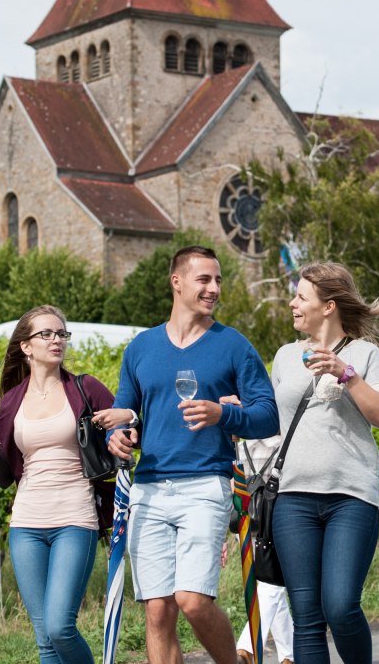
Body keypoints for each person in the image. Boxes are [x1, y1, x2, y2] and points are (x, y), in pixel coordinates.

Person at [101, 245, 279, 664]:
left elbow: (268, 416)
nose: (214, 288)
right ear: (176, 282)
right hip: (149, 488)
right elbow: (128, 412)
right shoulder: (141, 348)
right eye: (205, 279)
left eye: (218, 280)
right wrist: (120, 436)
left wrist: (224, 414)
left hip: (206, 483)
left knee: (192, 600)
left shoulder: (233, 345)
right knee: (158, 609)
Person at [0, 305, 131, 664]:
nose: (56, 340)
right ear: (26, 347)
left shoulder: (84, 388)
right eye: (46, 334)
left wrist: (121, 432)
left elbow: (126, 430)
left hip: (75, 518)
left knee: (61, 627)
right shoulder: (11, 401)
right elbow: (3, 478)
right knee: (45, 639)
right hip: (26, 524)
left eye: (61, 333)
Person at [268, 262, 379, 664]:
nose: (292, 304)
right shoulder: (286, 357)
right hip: (293, 499)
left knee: (340, 606)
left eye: (301, 297)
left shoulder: (365, 354)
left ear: (329, 306)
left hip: (351, 497)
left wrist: (347, 374)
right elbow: (272, 424)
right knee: (306, 618)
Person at [232, 433, 295, 664]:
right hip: (275, 522)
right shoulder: (283, 444)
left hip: (247, 524)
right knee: (272, 584)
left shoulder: (240, 447)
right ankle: (246, 649)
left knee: (270, 586)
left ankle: (289, 655)